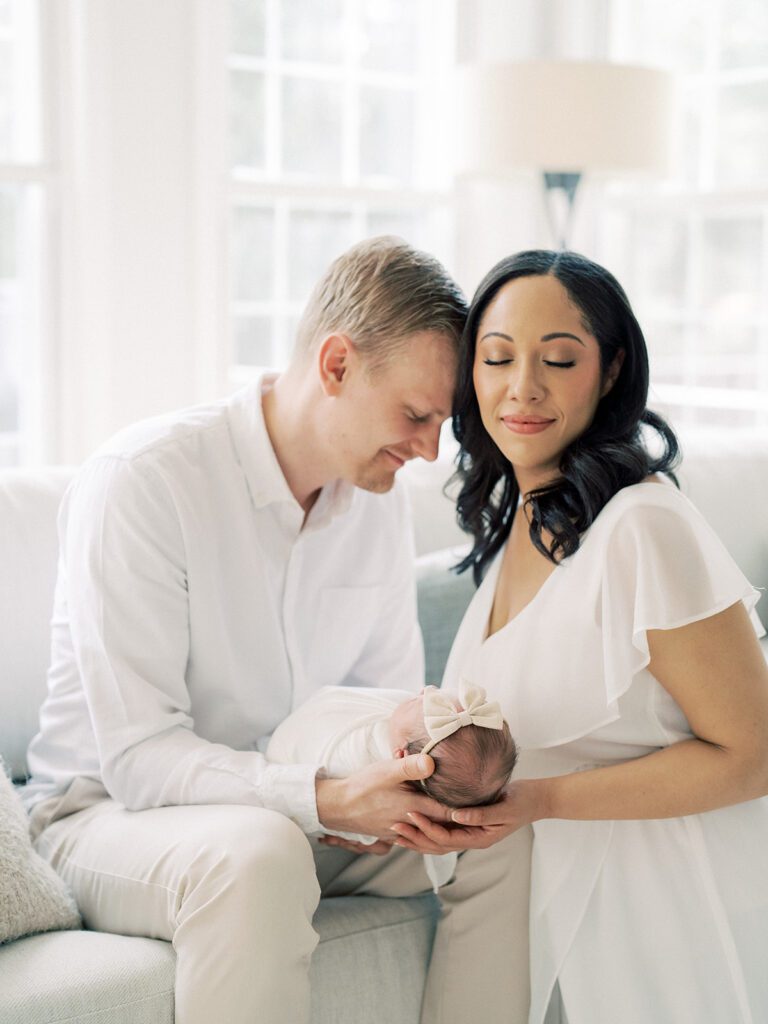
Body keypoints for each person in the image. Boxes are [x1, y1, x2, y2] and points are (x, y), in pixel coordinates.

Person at [22, 236, 471, 1024]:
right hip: (109, 818)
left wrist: (408, 770)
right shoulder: (146, 482)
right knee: (260, 856)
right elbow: (140, 759)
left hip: (303, 803)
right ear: (336, 364)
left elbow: (378, 703)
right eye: (416, 415)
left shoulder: (378, 503)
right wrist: (323, 799)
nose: (430, 450)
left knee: (492, 833)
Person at [391, 250, 768, 1024]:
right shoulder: (521, 528)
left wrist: (541, 799)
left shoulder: (644, 526)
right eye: (496, 359)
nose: (521, 387)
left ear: (610, 369)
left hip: (664, 910)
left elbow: (753, 753)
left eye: (558, 359)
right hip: (549, 907)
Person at [266, 680, 518, 889]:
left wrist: (359, 834)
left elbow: (360, 820)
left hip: (288, 762)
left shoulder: (361, 757)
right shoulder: (411, 731)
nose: (421, 691)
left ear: (402, 759)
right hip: (282, 772)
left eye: (418, 702)